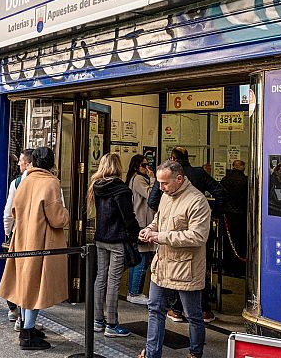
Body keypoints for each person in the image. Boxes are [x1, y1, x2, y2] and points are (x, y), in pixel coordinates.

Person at [137, 160, 211, 358]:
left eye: (165, 183)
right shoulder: (165, 196)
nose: (160, 187)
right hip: (162, 264)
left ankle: (195, 353)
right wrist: (149, 230)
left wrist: (159, 236)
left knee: (193, 315)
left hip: (186, 268)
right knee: (155, 310)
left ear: (179, 179)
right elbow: (158, 220)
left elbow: (198, 236)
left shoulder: (197, 201)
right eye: (159, 183)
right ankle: (152, 354)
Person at [0, 147, 69, 350]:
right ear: (51, 163)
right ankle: (28, 333)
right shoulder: (51, 182)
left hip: (22, 238)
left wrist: (8, 231)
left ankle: (27, 328)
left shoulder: (24, 180)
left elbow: (12, 209)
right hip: (42, 240)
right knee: (37, 287)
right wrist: (67, 214)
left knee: (25, 284)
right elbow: (57, 219)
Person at [147, 146, 225, 323]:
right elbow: (220, 192)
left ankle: (176, 310)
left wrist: (159, 232)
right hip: (187, 239)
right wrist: (214, 214)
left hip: (179, 238)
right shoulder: (199, 173)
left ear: (173, 158)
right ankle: (203, 309)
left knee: (179, 287)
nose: (162, 187)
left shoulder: (185, 193)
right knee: (197, 273)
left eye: (164, 184)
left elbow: (152, 201)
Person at [89, 153, 139, 338]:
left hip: (101, 238)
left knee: (100, 277)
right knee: (113, 280)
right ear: (117, 166)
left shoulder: (97, 186)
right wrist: (136, 234)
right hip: (117, 239)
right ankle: (111, 323)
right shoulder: (121, 189)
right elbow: (128, 217)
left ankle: (97, 320)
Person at [2, 148, 34, 324]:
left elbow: (8, 212)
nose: (19, 164)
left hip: (19, 234)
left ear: (28, 163)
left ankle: (16, 313)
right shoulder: (48, 181)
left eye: (21, 162)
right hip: (37, 236)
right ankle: (24, 319)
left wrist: (8, 232)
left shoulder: (16, 183)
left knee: (15, 274)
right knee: (29, 277)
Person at [126, 154, 156, 306]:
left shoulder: (135, 178)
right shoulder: (138, 179)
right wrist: (152, 179)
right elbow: (151, 196)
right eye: (144, 165)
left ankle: (133, 291)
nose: (147, 168)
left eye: (148, 165)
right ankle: (134, 291)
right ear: (136, 166)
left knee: (138, 259)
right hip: (142, 223)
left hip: (141, 222)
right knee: (141, 260)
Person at [220, 159, 249, 276]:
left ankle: (227, 266)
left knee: (228, 242)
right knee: (240, 242)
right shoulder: (246, 181)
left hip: (227, 214)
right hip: (241, 215)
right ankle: (240, 267)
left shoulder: (225, 179)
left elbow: (220, 195)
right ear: (242, 167)